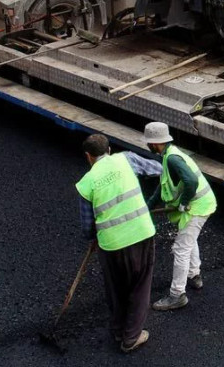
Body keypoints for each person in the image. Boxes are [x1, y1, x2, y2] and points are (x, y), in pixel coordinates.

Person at [76, 134, 161, 353]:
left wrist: (93, 238)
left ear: (88, 156)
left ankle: (118, 330)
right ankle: (131, 337)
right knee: (140, 286)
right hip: (141, 234)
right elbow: (157, 170)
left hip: (110, 244)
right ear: (109, 150)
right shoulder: (127, 159)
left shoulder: (86, 183)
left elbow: (87, 225)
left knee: (116, 289)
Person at [143, 122, 216, 312]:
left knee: (181, 248)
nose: (147, 146)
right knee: (188, 239)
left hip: (197, 206)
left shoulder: (173, 159)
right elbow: (163, 185)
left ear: (155, 143)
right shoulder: (169, 155)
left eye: (148, 142)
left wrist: (183, 202)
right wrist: (148, 206)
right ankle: (194, 275)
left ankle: (177, 295)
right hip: (200, 203)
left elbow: (190, 181)